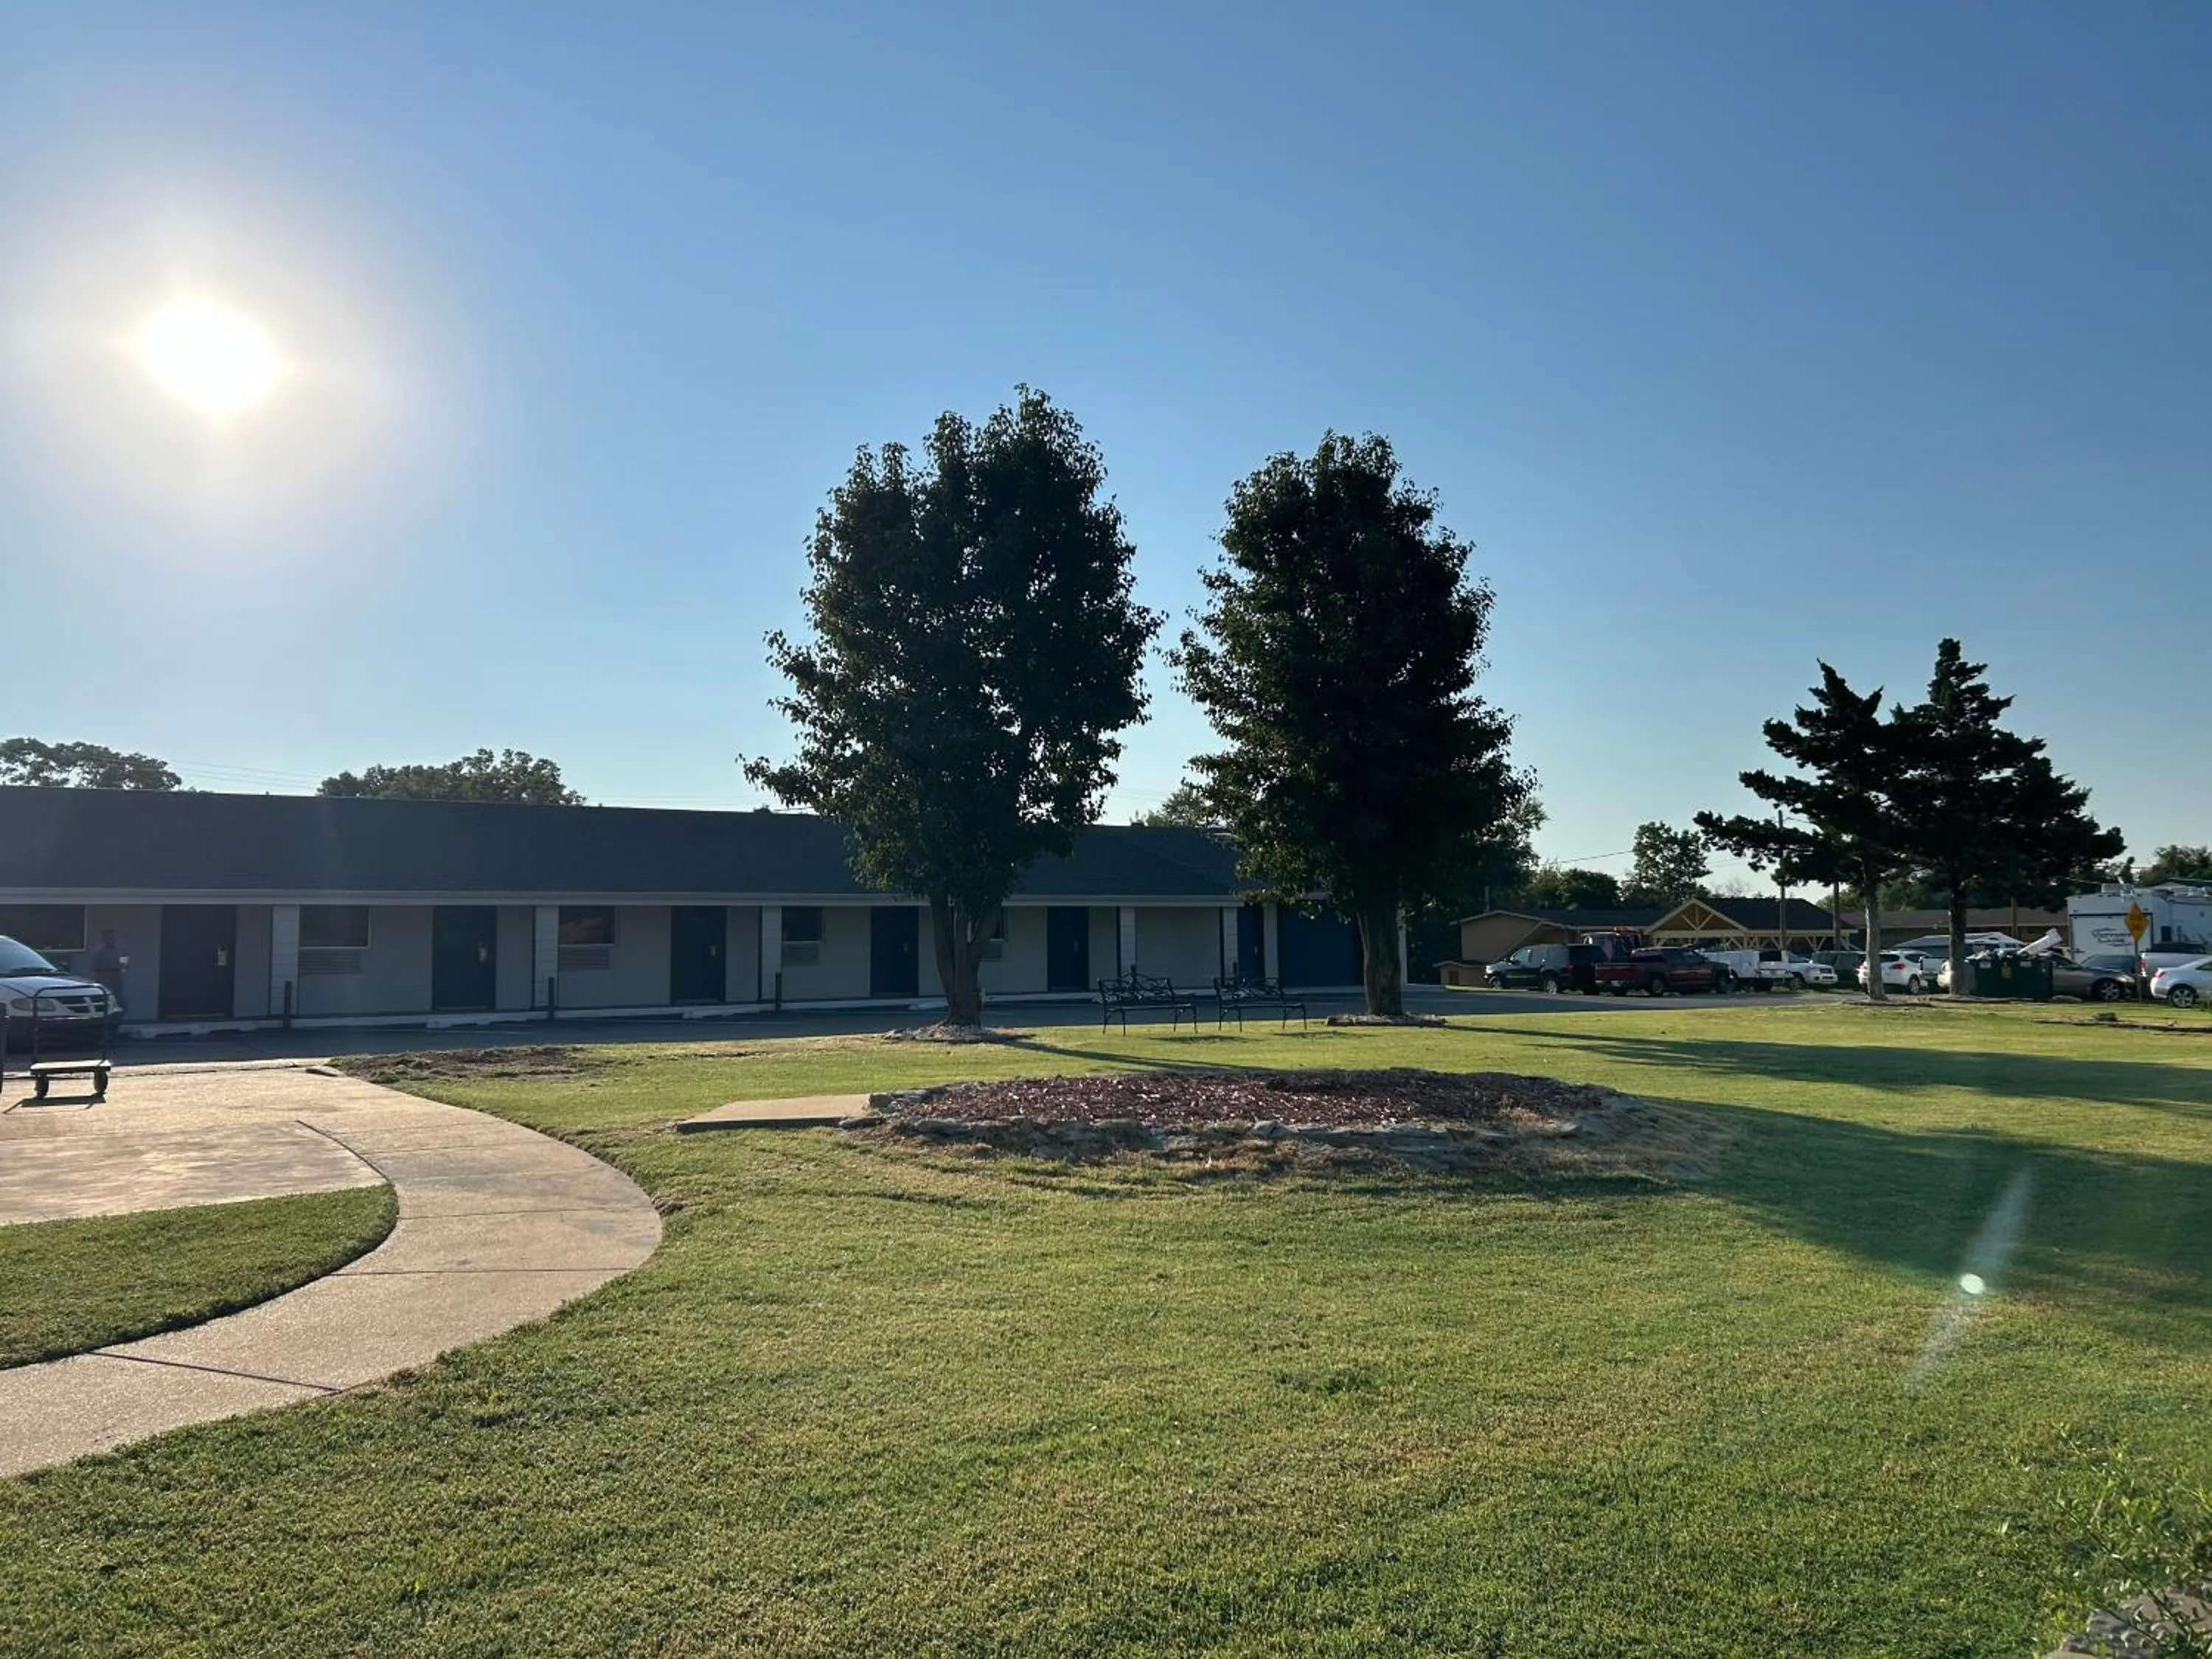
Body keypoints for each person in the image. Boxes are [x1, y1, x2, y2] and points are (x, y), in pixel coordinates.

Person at [88, 928, 128, 1017]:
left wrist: (122, 967)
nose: (110, 940)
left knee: (119, 1004)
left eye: (112, 938)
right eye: (108, 938)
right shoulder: (99, 952)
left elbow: (124, 966)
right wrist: (111, 967)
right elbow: (93, 967)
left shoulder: (120, 951)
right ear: (104, 939)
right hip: (104, 983)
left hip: (117, 983)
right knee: (103, 1004)